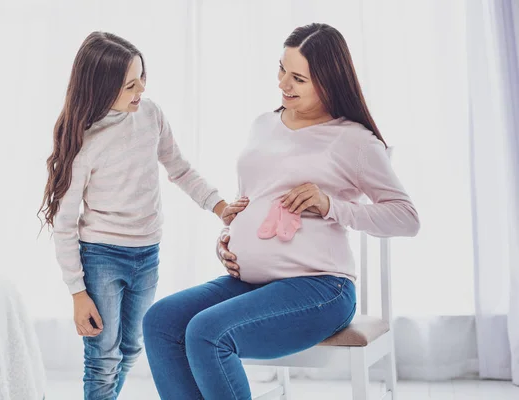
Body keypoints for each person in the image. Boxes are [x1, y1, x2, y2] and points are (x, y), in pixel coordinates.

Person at [143, 23, 420, 400]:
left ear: (329, 81)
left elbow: (406, 218)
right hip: (252, 283)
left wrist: (331, 206)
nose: (283, 84)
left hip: (321, 287)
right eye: (281, 70)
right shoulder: (263, 124)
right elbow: (252, 199)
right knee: (161, 321)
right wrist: (227, 240)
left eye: (298, 78)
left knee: (208, 332)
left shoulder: (354, 140)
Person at [37, 32, 242, 400]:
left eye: (142, 77)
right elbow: (65, 224)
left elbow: (179, 169)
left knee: (130, 348)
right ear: (101, 89)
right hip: (101, 256)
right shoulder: (84, 140)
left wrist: (219, 206)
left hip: (147, 254)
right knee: (102, 355)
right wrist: (77, 293)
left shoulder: (150, 115)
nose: (141, 89)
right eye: (130, 84)